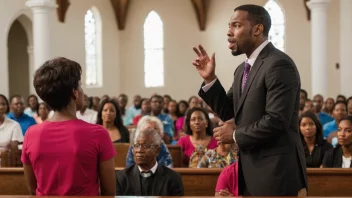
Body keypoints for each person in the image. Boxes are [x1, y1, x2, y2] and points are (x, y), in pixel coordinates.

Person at [192, 4, 307, 196]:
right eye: (229, 26)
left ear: (257, 29)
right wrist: (210, 79)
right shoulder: (242, 70)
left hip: (276, 173)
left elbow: (276, 120)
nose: (229, 32)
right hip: (251, 171)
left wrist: (235, 136)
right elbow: (230, 111)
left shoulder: (278, 64)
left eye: (236, 25)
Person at [21, 57, 116, 196]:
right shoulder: (98, 133)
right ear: (75, 92)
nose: (82, 90)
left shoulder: (31, 134)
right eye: (80, 85)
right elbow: (109, 192)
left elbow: (32, 189)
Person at [116, 128, 184, 196]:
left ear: (157, 151)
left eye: (145, 146)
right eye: (136, 145)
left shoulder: (173, 178)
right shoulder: (121, 178)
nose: (139, 150)